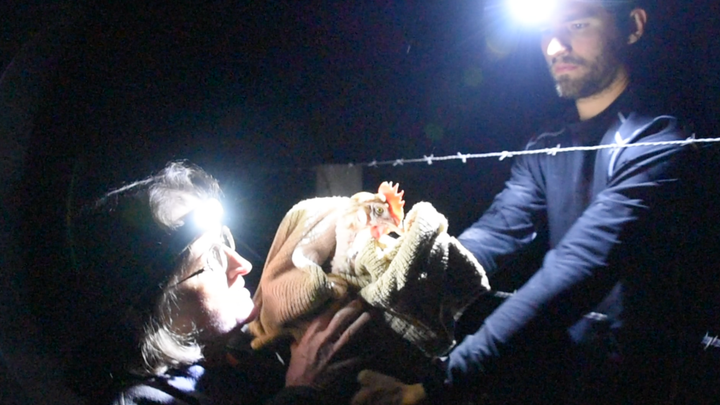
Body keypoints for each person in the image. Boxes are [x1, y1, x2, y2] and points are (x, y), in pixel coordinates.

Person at [352, 1, 719, 404]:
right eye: (547, 31)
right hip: (562, 373)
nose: (555, 46)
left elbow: (578, 265)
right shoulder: (549, 145)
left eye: (578, 24)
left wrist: (442, 382)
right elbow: (496, 231)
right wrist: (397, 278)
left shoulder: (660, 139)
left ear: (633, 26)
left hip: (651, 382)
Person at [57, 160, 370, 404]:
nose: (242, 265)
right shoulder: (137, 401)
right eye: (210, 261)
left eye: (226, 242)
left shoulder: (238, 364)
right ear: (146, 318)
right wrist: (304, 393)